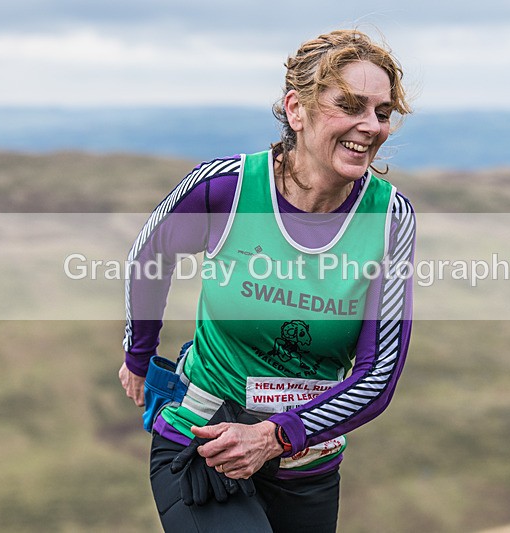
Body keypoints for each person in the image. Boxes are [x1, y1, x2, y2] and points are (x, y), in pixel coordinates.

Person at [119, 28, 415, 533]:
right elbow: (151, 255)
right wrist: (138, 353)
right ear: (296, 111)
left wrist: (275, 436)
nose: (370, 126)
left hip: (305, 463)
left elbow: (377, 375)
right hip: (205, 441)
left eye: (382, 112)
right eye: (350, 105)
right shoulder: (226, 189)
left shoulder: (389, 219)